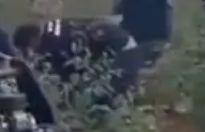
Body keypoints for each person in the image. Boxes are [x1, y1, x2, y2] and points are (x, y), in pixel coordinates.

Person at [11, 16, 142, 105]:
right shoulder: (51, 34)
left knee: (114, 93)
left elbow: (74, 65)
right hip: (111, 49)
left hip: (121, 49)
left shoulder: (58, 40)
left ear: (33, 40)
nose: (31, 53)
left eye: (27, 49)